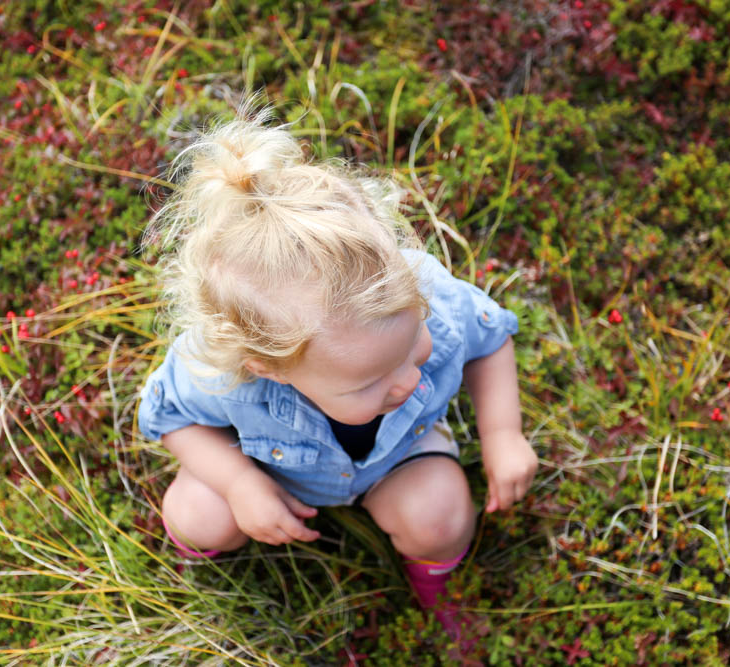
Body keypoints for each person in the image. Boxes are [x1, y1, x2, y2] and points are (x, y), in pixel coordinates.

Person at [137, 105, 538, 636]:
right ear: (271, 369)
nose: (409, 382)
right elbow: (169, 417)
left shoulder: (424, 295)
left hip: (402, 453)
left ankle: (438, 593)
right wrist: (238, 484)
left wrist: (503, 433)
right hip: (272, 470)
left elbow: (489, 339)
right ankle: (204, 584)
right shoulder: (225, 371)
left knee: (441, 517)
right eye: (369, 382)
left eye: (414, 346)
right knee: (197, 515)